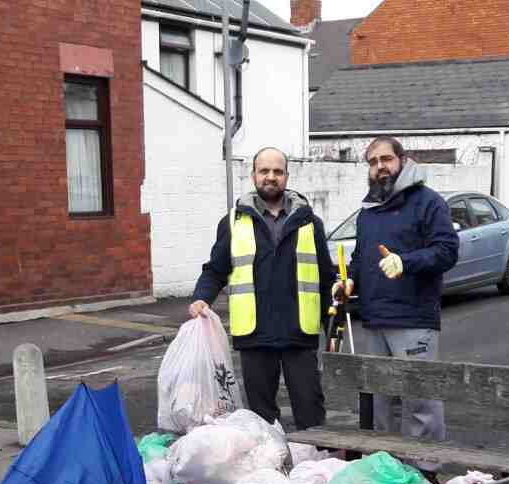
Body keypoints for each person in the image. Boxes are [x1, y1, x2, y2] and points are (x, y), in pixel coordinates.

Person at [189, 147, 337, 430]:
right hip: (255, 335)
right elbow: (216, 269)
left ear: (287, 176)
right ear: (253, 175)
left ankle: (317, 469)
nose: (271, 177)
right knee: (260, 421)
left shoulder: (309, 222)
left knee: (311, 413)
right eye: (264, 171)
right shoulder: (233, 223)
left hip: (300, 333)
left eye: (277, 171)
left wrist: (331, 329)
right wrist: (200, 298)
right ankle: (268, 471)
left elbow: (325, 278)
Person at [338, 136, 459, 444]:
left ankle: (425, 471)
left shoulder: (428, 202)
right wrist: (350, 280)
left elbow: (447, 251)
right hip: (375, 320)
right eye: (373, 162)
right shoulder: (368, 211)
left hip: (414, 320)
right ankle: (385, 468)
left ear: (402, 161)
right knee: (380, 400)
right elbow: (361, 257)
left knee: (421, 401)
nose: (380, 167)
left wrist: (405, 262)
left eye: (386, 159)